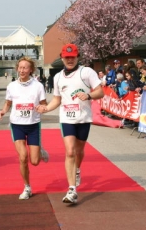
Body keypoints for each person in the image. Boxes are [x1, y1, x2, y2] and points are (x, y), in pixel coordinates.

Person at [36, 43, 104, 204]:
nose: (70, 60)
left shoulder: (87, 72)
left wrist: (88, 96)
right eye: (67, 58)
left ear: (77, 57)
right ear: (62, 58)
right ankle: (72, 189)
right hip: (67, 118)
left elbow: (100, 92)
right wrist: (46, 108)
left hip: (83, 118)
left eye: (72, 57)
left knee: (79, 151)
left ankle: (77, 170)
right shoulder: (58, 77)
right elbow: (57, 100)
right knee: (70, 151)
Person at [0, 56, 49, 200]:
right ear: (16, 69)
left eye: (25, 67)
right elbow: (8, 103)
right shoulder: (11, 86)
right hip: (17, 124)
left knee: (34, 161)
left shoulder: (38, 86)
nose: (22, 70)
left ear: (31, 69)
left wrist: (42, 108)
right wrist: (2, 111)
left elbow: (44, 103)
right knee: (22, 157)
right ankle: (27, 187)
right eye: (20, 67)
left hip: (33, 124)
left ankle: (40, 150)